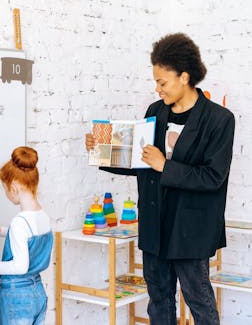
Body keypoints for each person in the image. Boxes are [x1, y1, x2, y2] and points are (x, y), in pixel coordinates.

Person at [85, 33, 235, 324]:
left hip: (192, 229)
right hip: (155, 224)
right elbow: (140, 162)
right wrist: (101, 153)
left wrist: (164, 166)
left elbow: (213, 177)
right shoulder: (155, 112)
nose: (157, 89)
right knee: (158, 301)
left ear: (184, 76)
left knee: (199, 299)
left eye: (162, 82)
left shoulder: (220, 119)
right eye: (155, 82)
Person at [0, 146, 53, 325]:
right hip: (37, 292)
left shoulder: (20, 221)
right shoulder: (43, 216)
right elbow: (29, 238)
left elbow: (20, 266)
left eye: (5, 189)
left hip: (17, 296)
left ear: (13, 188)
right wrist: (2, 230)